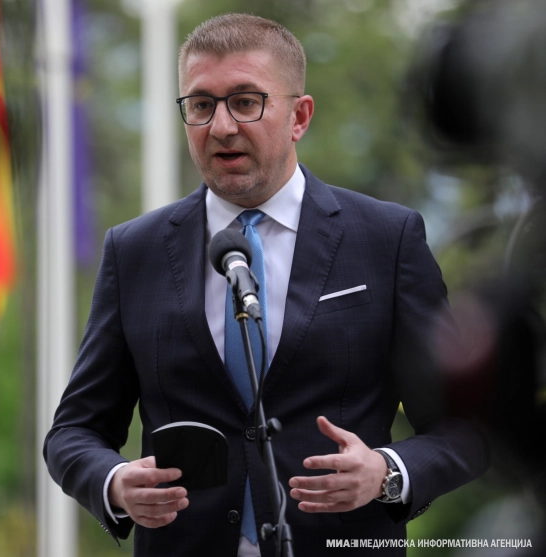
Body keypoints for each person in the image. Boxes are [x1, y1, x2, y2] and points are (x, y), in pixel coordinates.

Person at [44, 13, 489, 556]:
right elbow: (73, 433)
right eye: (201, 105)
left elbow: (466, 427)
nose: (221, 126)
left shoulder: (386, 240)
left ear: (299, 116)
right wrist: (115, 482)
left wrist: (387, 472)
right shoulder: (134, 250)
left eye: (245, 102)